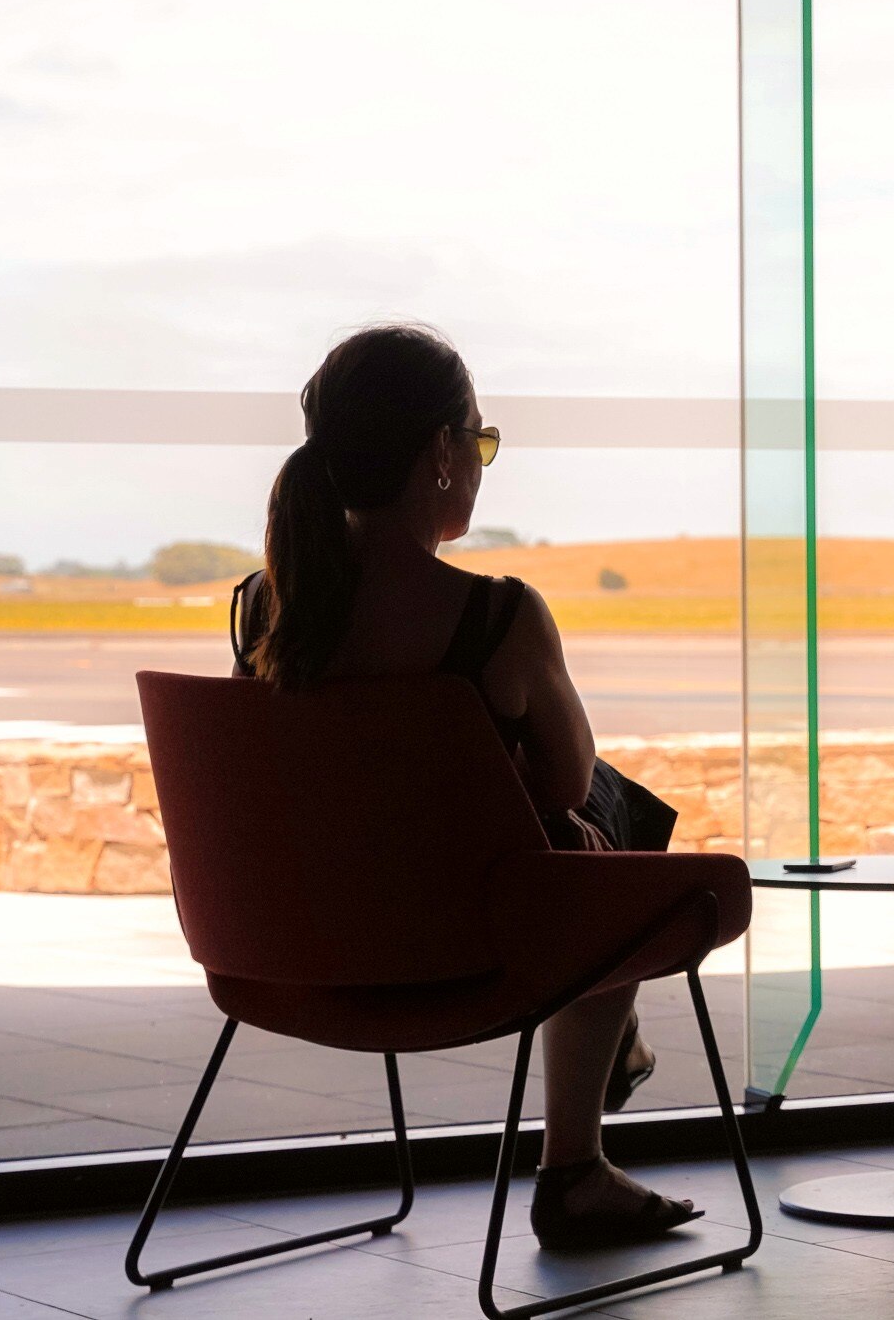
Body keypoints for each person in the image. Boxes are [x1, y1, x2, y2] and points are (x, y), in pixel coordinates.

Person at [229, 324, 691, 1249]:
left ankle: (601, 1091)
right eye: (478, 440)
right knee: (603, 817)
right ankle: (575, 1161)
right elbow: (566, 779)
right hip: (473, 950)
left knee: (570, 823)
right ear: (440, 452)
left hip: (298, 944)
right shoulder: (497, 615)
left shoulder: (261, 613)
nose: (481, 463)